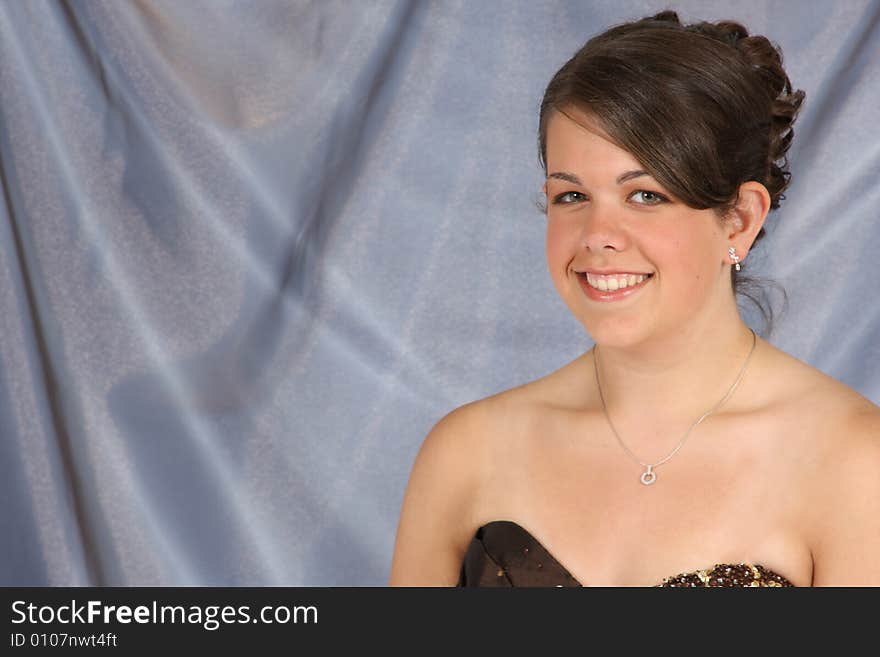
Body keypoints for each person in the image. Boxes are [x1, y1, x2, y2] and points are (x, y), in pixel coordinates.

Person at [389, 11, 880, 587]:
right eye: (572, 195)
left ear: (739, 220)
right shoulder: (465, 453)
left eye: (645, 194)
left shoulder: (851, 462)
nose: (598, 234)